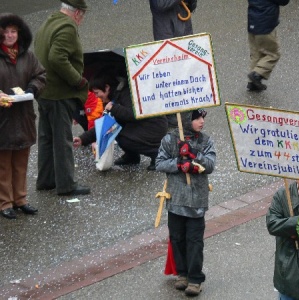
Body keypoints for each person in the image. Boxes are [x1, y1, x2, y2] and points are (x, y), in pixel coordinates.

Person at [155, 109, 216, 296]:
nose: (201, 121)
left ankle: (195, 279)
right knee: (177, 239)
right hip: (176, 200)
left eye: (202, 118)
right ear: (185, 121)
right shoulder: (169, 140)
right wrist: (178, 163)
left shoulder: (205, 141)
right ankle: (182, 274)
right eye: (196, 118)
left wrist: (194, 159)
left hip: (196, 201)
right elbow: (159, 163)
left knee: (194, 241)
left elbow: (210, 164)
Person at [34, 0, 91, 196]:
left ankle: (46, 179)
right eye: (82, 16)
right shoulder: (67, 27)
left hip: (43, 91)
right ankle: (66, 185)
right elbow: (57, 58)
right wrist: (78, 81)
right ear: (77, 13)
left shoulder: (50, 21)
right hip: (59, 93)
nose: (81, 20)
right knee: (62, 139)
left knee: (46, 137)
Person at [73, 68, 168, 170]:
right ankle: (132, 156)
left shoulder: (127, 92)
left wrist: (114, 108)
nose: (96, 96)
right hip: (142, 126)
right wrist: (83, 139)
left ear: (107, 87)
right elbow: (105, 125)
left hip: (154, 126)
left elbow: (133, 114)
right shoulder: (111, 97)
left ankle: (157, 154)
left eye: (97, 93)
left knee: (121, 135)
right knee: (114, 129)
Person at [0, 14, 46, 219]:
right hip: (3, 118)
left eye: (13, 31)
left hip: (23, 116)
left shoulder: (27, 56)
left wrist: (32, 89)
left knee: (20, 162)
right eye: (6, 32)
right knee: (3, 164)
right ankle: (4, 202)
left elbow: (40, 75)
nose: (10, 36)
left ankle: (20, 199)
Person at [149, 0, 197, 127]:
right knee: (170, 73)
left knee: (186, 70)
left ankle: (187, 111)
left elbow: (192, 6)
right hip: (165, 32)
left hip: (184, 28)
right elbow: (160, 5)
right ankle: (172, 113)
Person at [246, 0, 290, 91]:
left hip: (252, 23)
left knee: (256, 55)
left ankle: (252, 83)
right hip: (265, 26)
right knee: (273, 54)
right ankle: (257, 74)